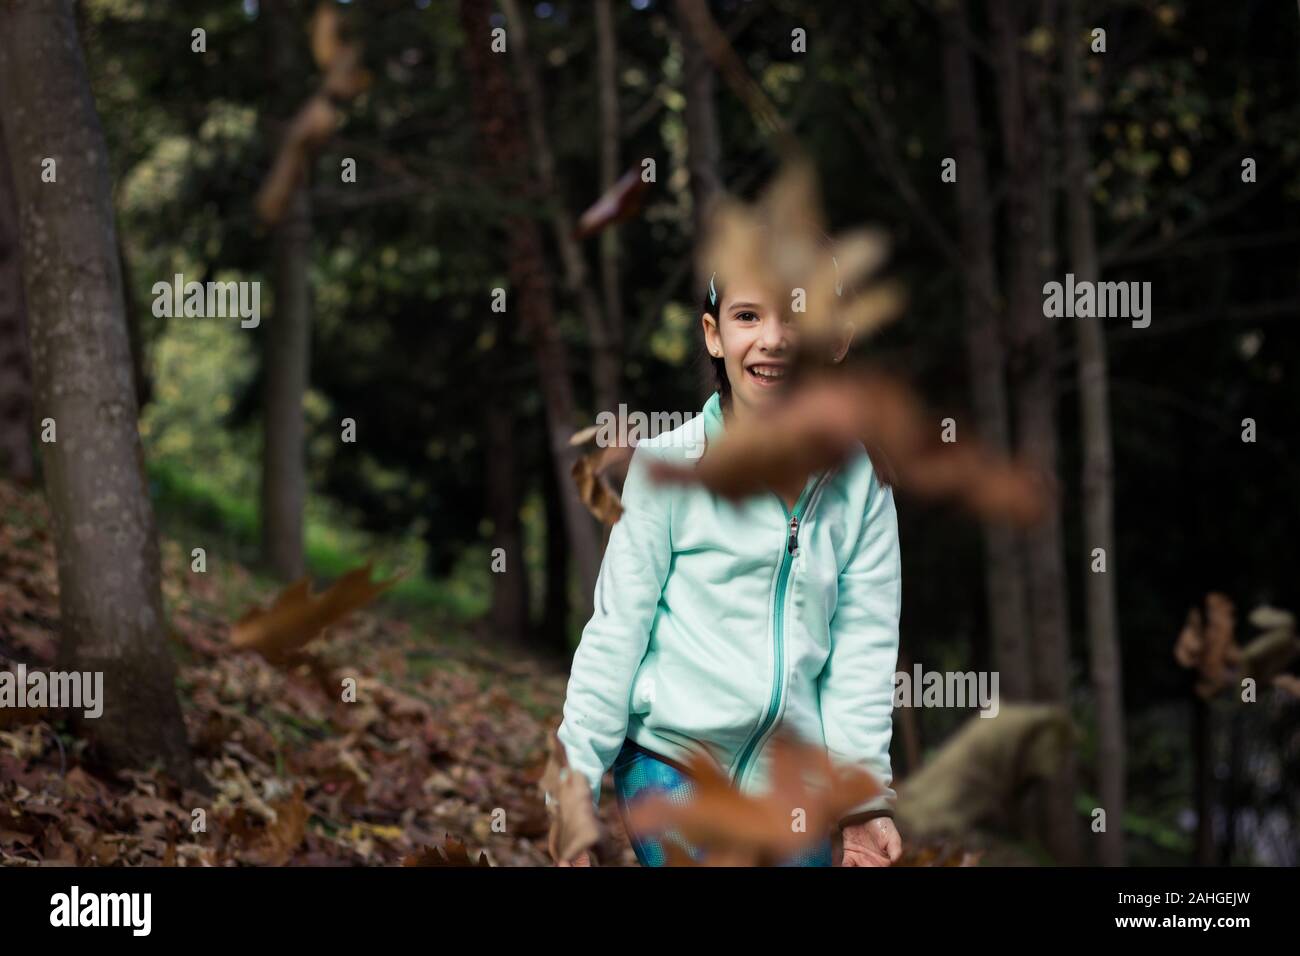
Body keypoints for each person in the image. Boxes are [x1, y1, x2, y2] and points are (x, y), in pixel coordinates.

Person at [552, 257, 903, 867]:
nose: (773, 338)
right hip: (670, 758)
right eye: (748, 316)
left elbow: (861, 656)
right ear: (714, 334)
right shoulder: (669, 468)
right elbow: (616, 632)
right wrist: (575, 786)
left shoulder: (862, 485)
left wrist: (862, 803)